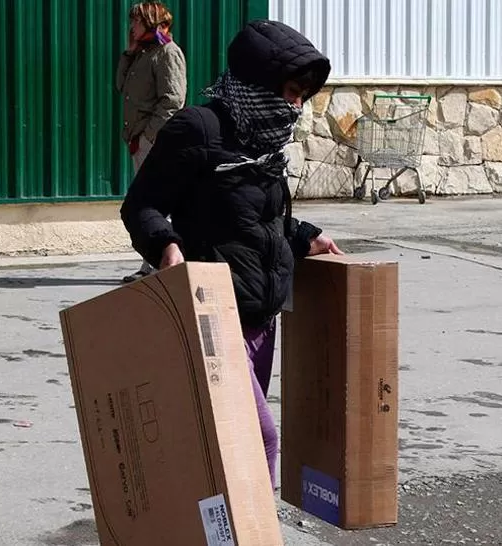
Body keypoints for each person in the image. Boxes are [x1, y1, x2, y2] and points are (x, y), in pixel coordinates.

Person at [120, 19, 342, 490]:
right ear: (258, 82)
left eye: (303, 95)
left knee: (219, 450)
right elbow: (142, 205)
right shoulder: (199, 129)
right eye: (289, 90)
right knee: (257, 440)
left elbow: (262, 221)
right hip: (212, 316)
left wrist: (303, 238)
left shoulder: (266, 142)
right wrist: (166, 246)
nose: (295, 105)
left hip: (262, 320)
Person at [116, 2, 187, 283]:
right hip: (139, 140)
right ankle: (151, 265)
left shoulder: (168, 52)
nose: (131, 27)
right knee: (147, 204)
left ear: (149, 21)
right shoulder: (143, 52)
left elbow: (173, 99)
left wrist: (149, 135)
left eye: (135, 22)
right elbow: (122, 85)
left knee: (153, 204)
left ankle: (160, 265)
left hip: (155, 142)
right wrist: (129, 52)